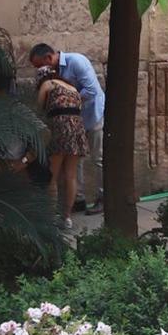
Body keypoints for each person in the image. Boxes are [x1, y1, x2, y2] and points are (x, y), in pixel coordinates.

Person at [28, 43, 104, 213]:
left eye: (40, 65)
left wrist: (70, 98)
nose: (39, 70)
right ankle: (78, 199)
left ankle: (102, 197)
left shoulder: (76, 61)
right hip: (75, 122)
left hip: (92, 115)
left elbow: (91, 91)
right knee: (74, 164)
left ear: (49, 57)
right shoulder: (53, 74)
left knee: (97, 157)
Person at [34, 64, 87, 229]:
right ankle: (67, 217)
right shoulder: (72, 87)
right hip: (77, 128)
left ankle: (52, 215)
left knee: (52, 175)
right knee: (70, 175)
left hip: (59, 127)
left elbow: (39, 108)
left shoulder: (48, 84)